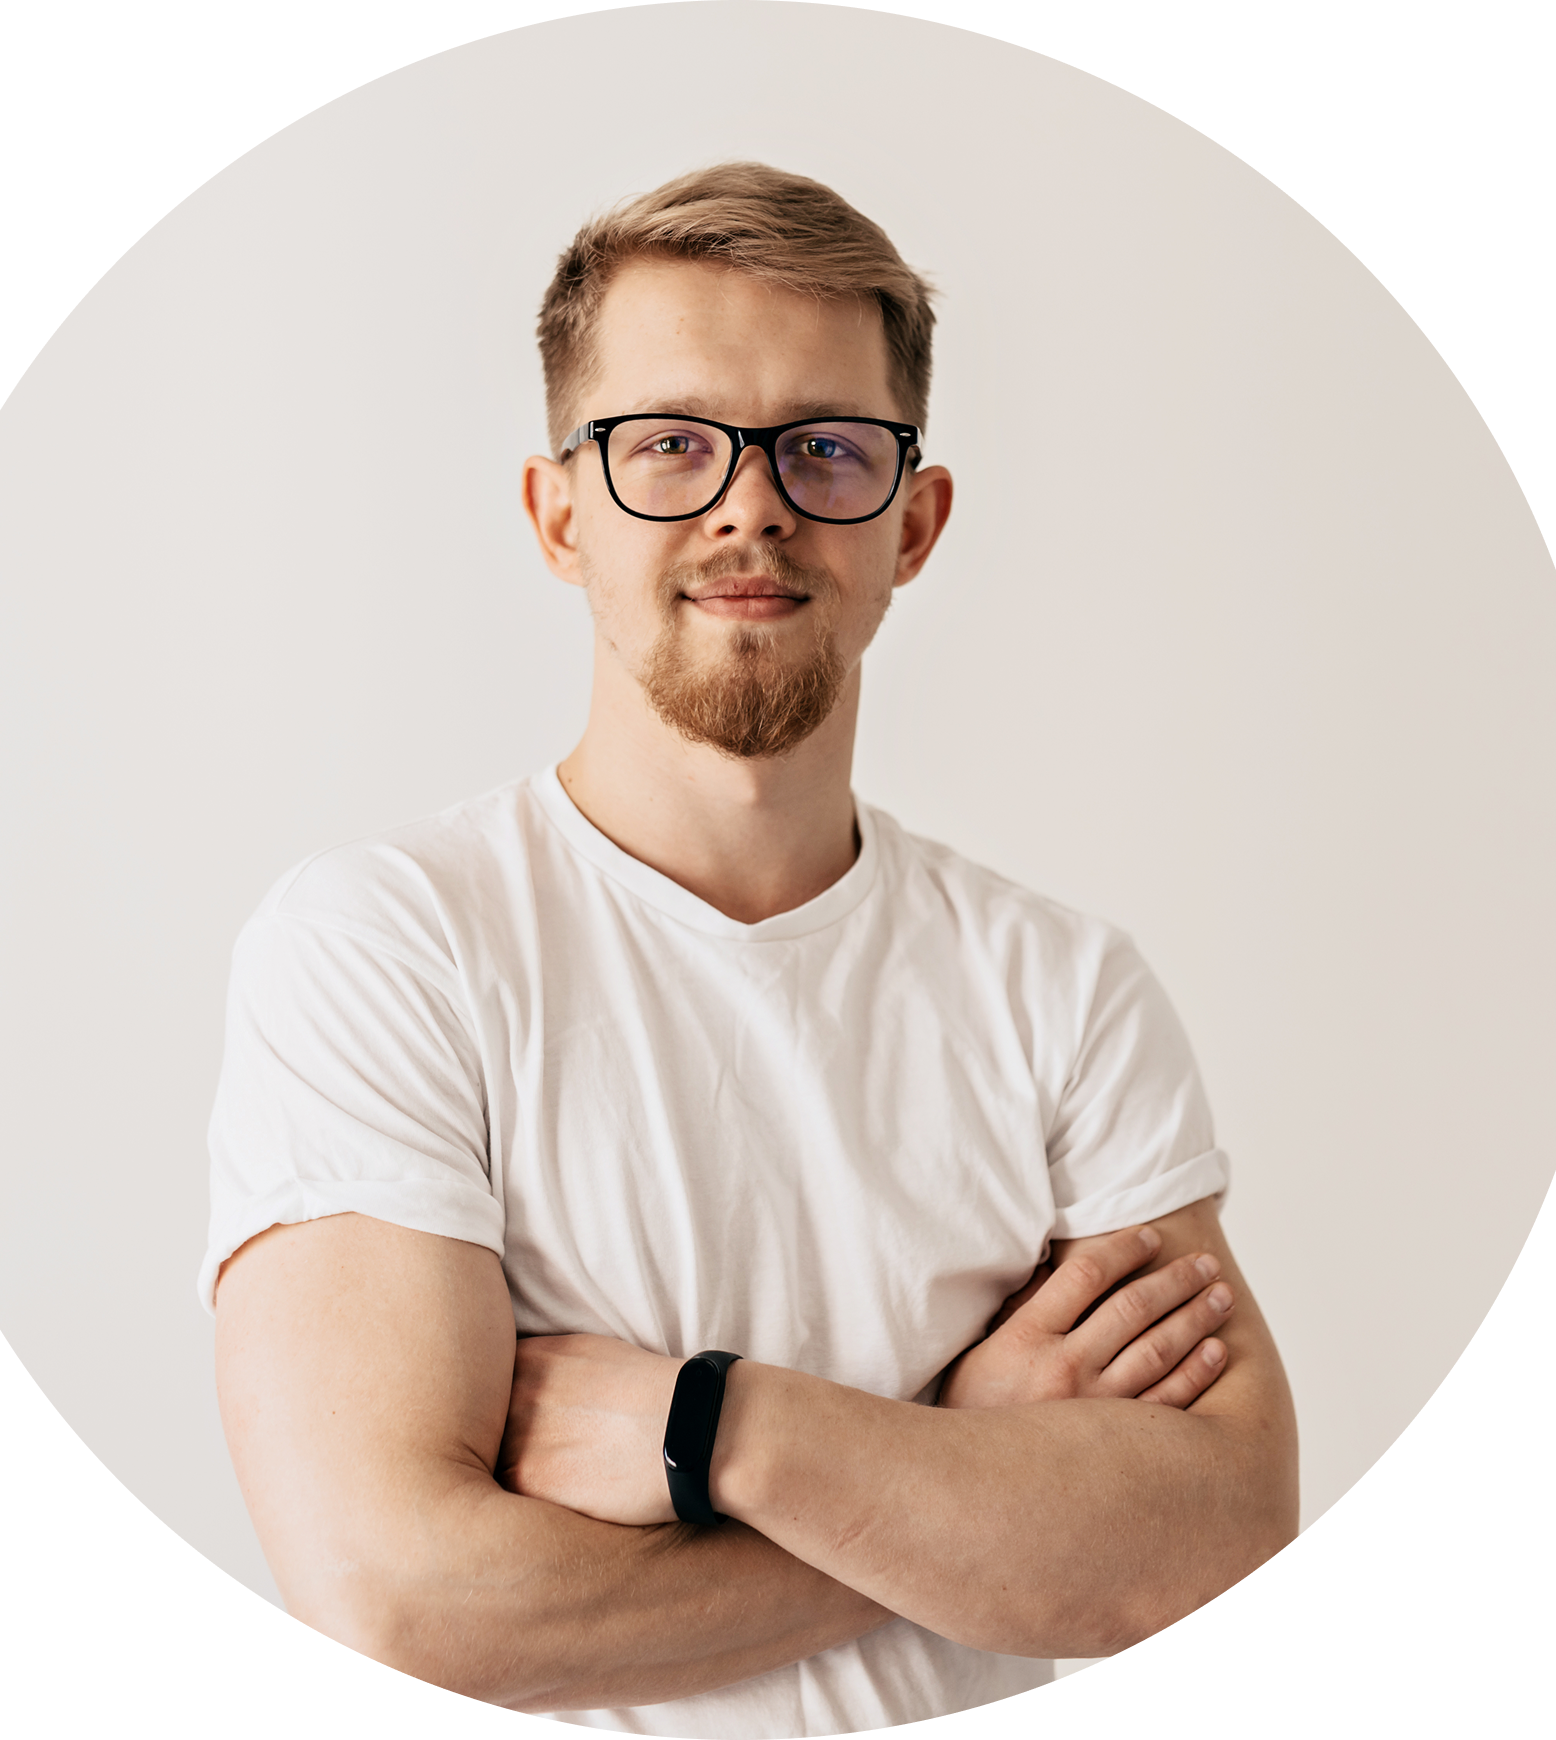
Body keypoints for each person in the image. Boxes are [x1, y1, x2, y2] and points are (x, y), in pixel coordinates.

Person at [203, 163, 1298, 1734]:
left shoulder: (1062, 990)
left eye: (827, 448)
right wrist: (961, 1457)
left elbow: (1218, 1540)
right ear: (558, 512)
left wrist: (715, 1431)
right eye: (668, 444)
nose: (751, 505)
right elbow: (398, 1602)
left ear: (914, 524)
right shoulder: (388, 949)